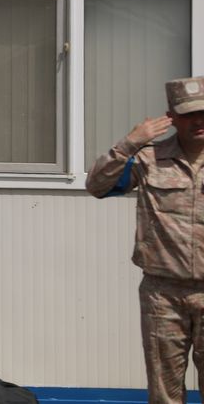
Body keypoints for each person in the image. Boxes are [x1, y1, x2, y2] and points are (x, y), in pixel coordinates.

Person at [86, 76, 204, 402]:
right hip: (163, 296)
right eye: (189, 114)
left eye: (203, 113)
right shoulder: (149, 159)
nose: (198, 121)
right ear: (172, 116)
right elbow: (97, 186)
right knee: (165, 394)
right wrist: (128, 143)